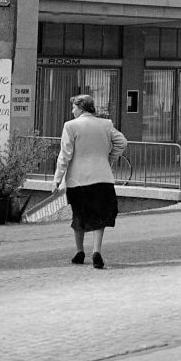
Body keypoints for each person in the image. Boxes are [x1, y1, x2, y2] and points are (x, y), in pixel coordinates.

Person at [51, 94, 127, 269]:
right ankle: (96, 251)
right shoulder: (106, 124)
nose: (72, 110)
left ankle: (79, 251)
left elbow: (65, 155)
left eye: (74, 107)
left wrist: (57, 179)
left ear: (81, 107)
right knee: (100, 215)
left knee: (79, 213)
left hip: (77, 179)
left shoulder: (70, 126)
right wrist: (109, 159)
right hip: (102, 177)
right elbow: (122, 142)